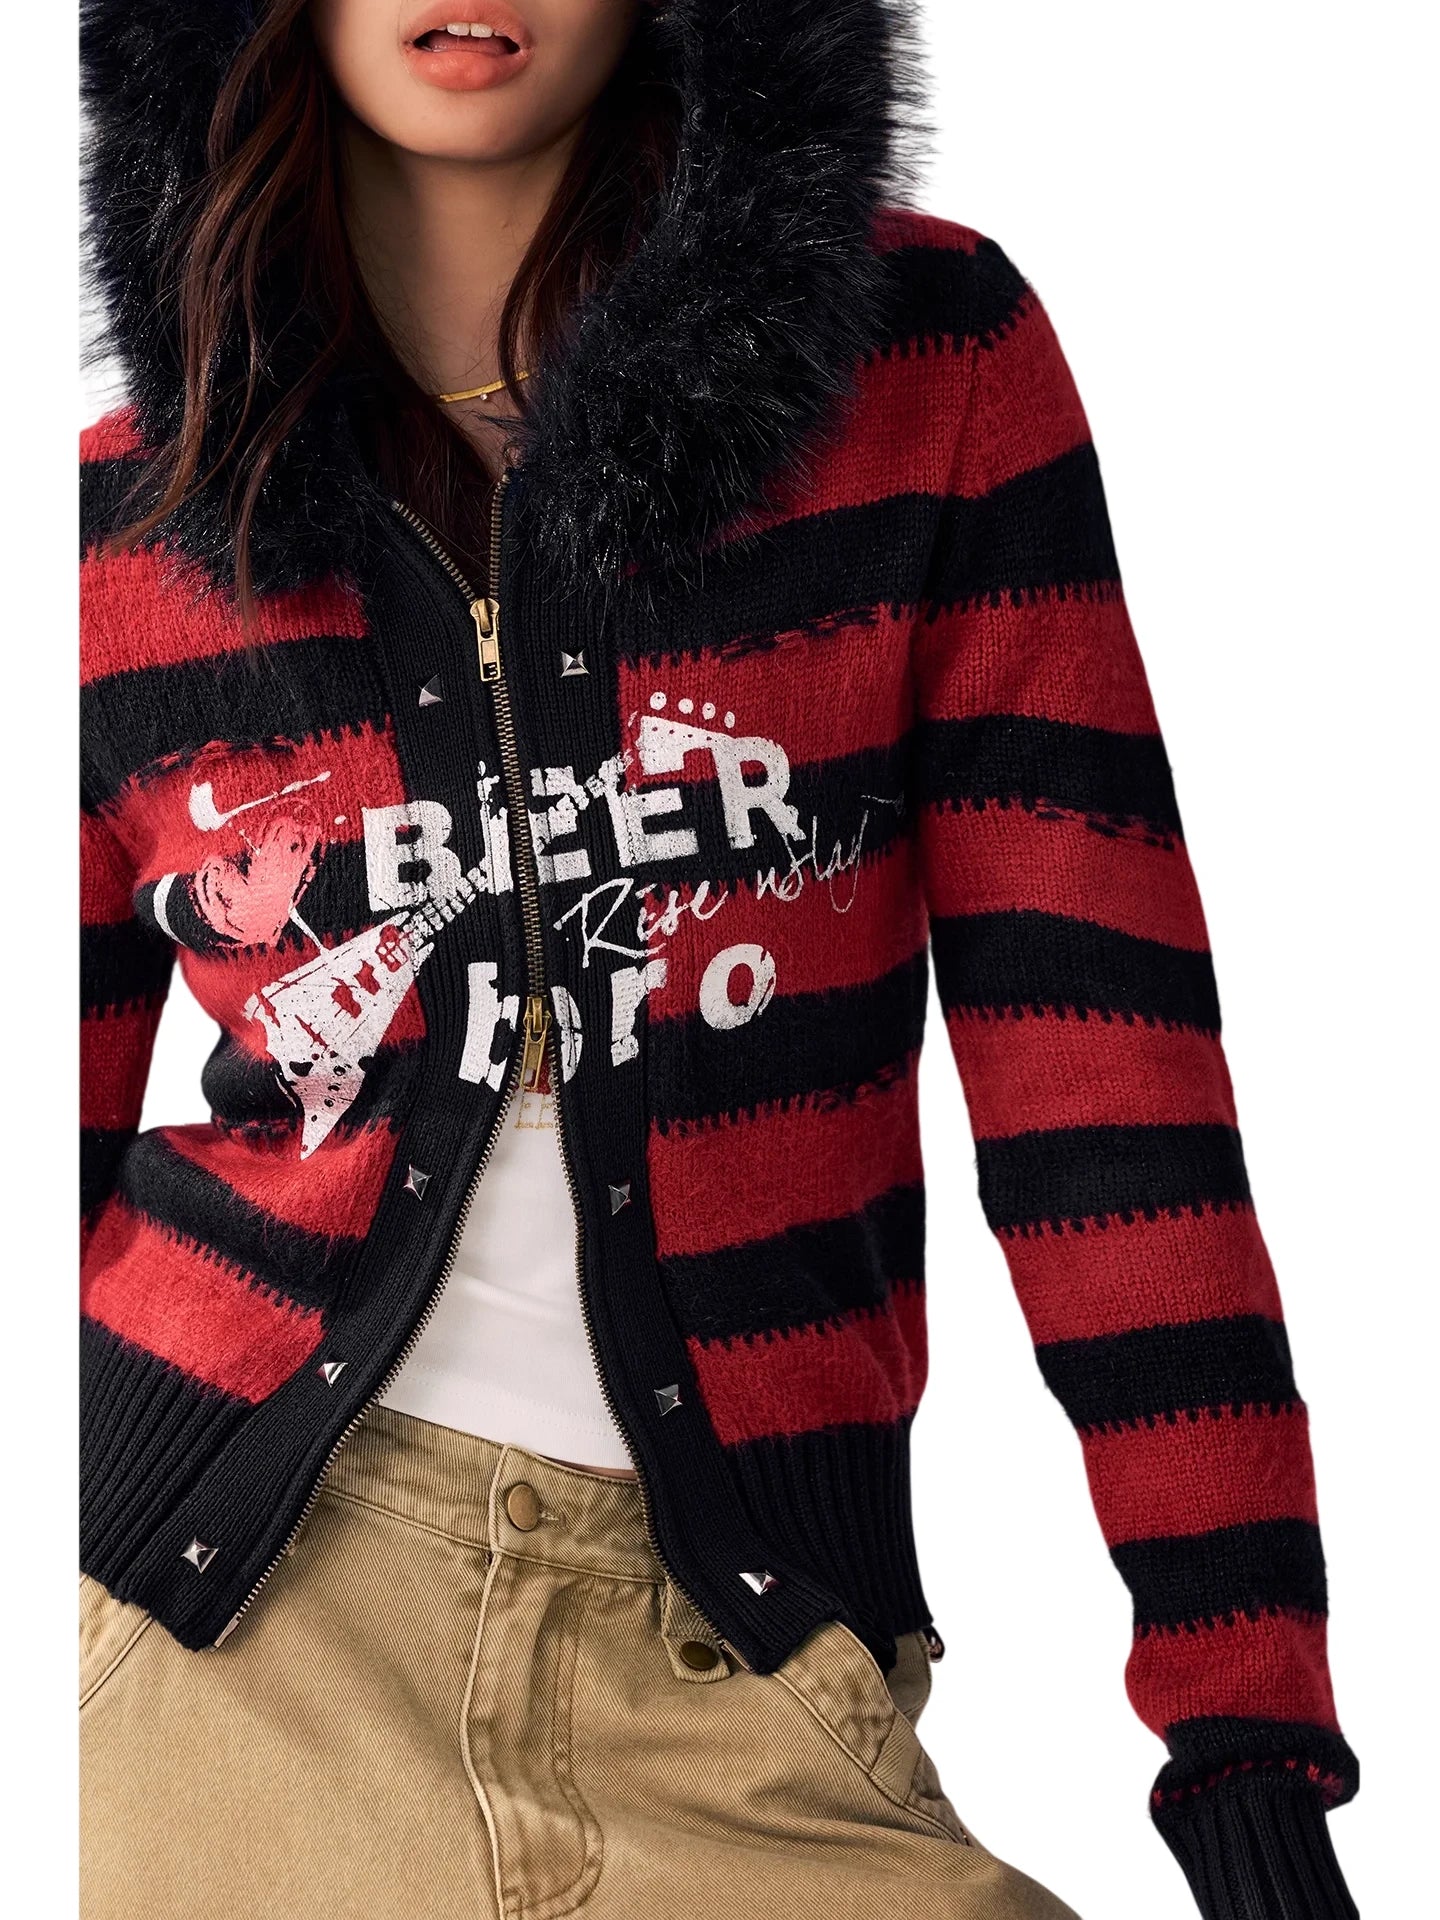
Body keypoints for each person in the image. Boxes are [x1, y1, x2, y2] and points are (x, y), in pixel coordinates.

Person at [78, 3, 1359, 1916]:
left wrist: (1247, 1748)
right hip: (213, 1646)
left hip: (751, 1657)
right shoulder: (116, 526)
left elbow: (1108, 1089)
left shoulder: (926, 369)